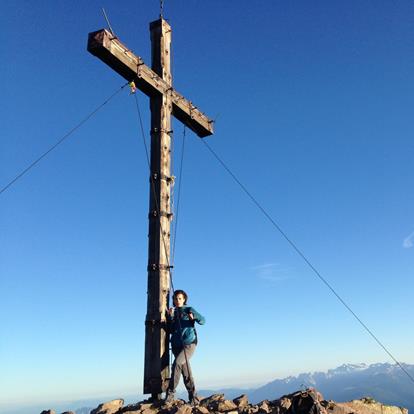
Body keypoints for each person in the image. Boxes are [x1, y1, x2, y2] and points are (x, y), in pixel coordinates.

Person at [165, 289, 205, 405]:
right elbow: (171, 330)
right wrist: (169, 317)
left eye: (180, 298)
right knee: (186, 371)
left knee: (177, 363)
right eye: (175, 299)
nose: (177, 301)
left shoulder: (189, 310)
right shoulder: (173, 312)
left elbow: (203, 321)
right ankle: (193, 397)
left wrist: (195, 317)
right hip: (177, 345)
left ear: (184, 299)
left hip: (189, 343)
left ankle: (170, 394)